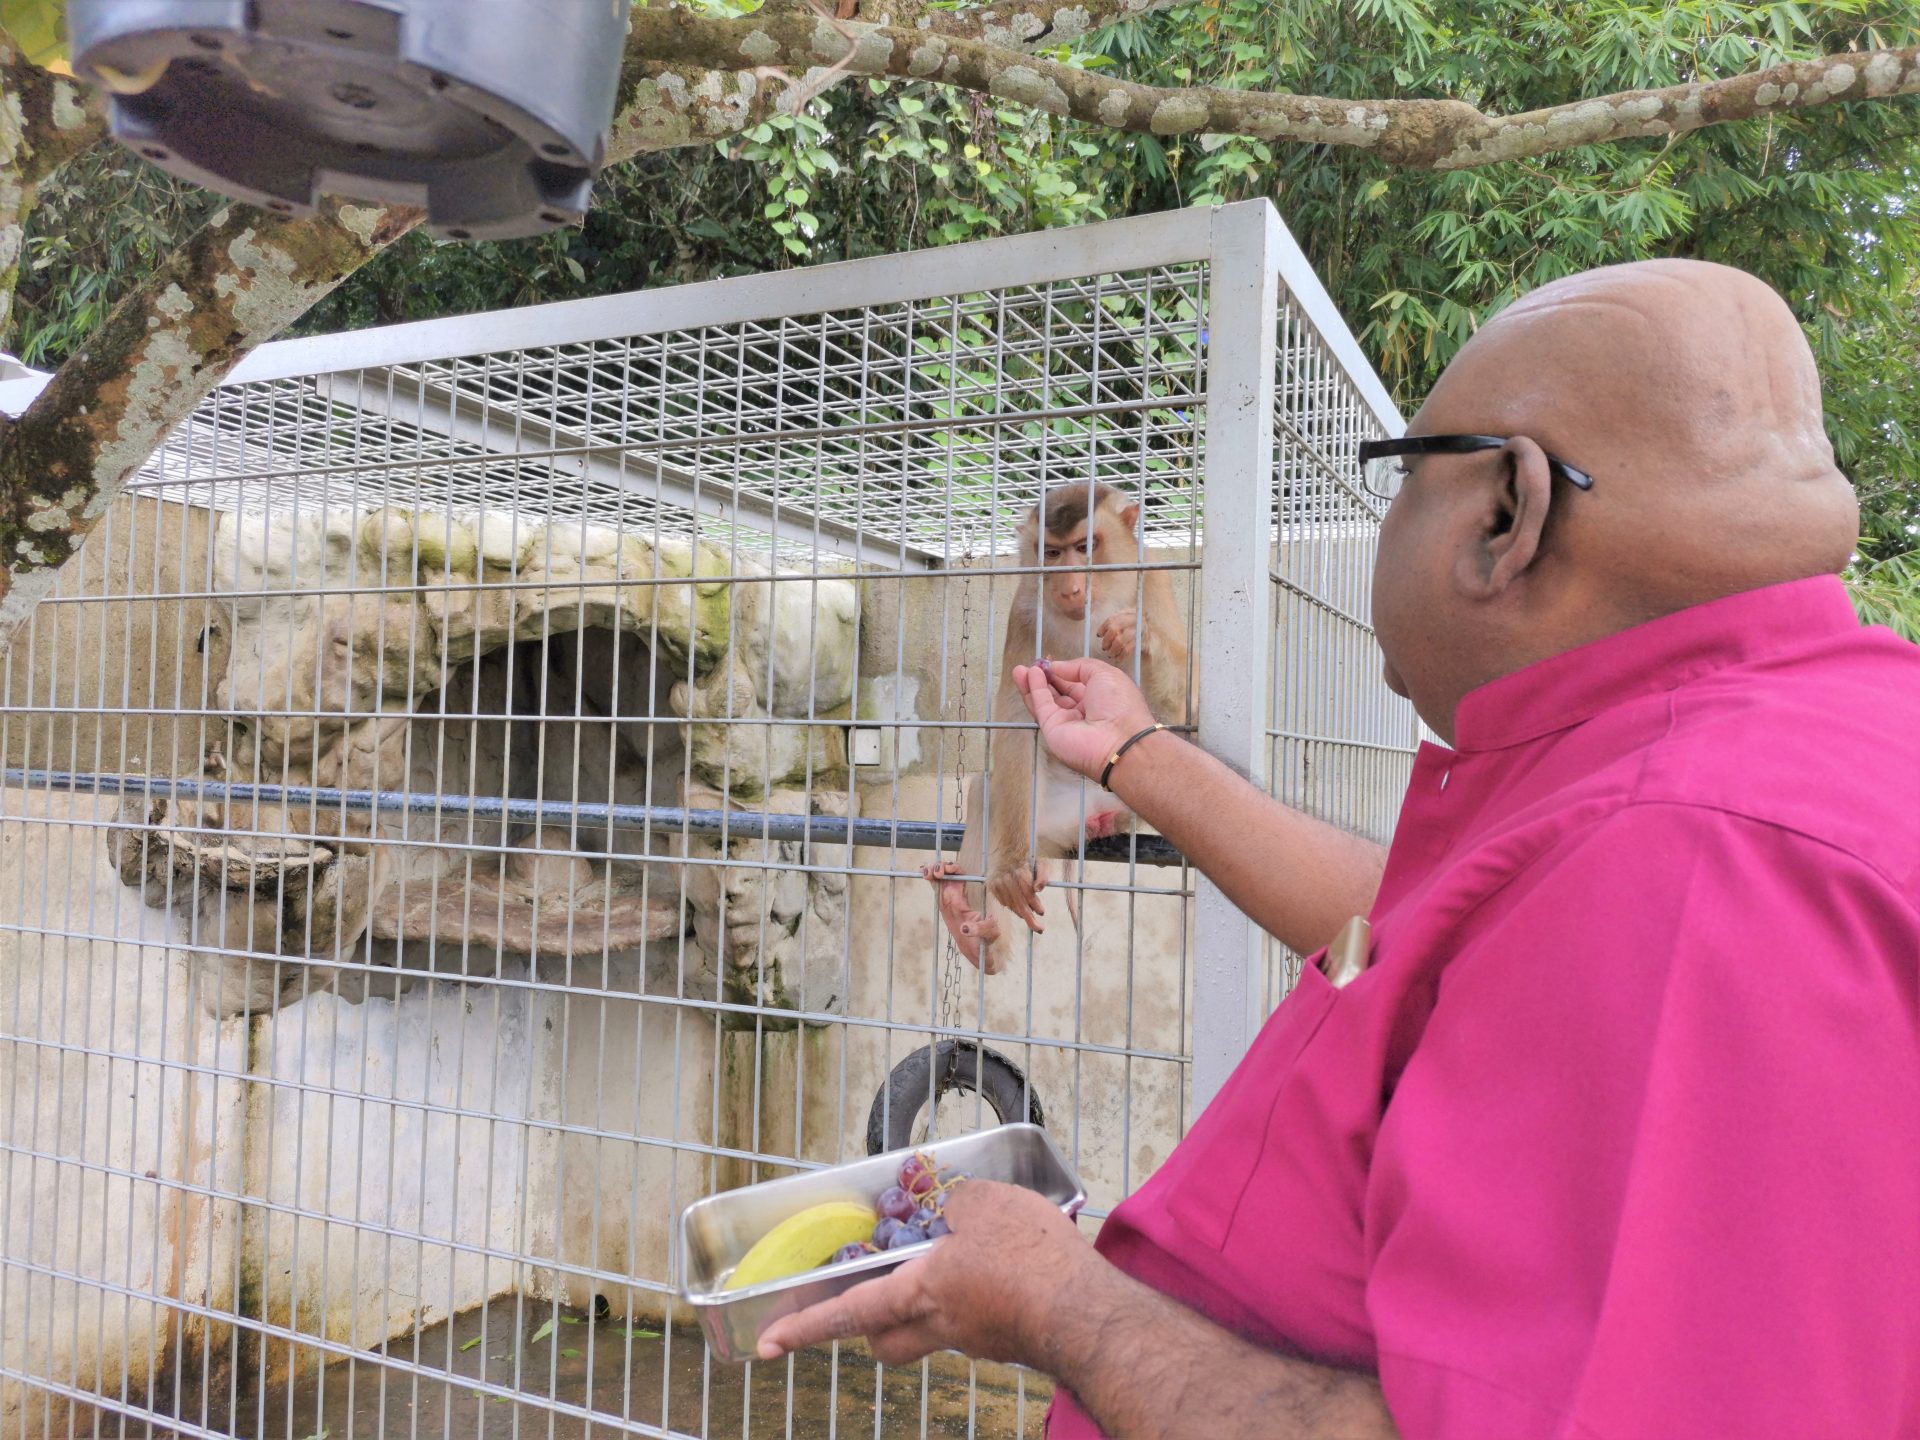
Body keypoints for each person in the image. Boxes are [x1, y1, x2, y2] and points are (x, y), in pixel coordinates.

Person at [758, 259, 1920, 1439]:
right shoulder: (1712, 766)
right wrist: (1135, 755)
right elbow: (1443, 943)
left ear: (1507, 514)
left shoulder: (1705, 866)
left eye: (1402, 475)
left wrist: (1058, 1305)